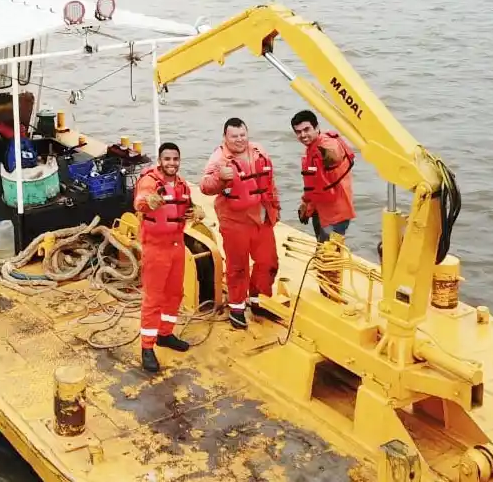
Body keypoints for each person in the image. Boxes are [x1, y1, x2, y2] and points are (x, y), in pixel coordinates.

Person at [200, 118, 281, 329]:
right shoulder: (218, 159)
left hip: (261, 218)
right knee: (238, 267)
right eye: (234, 136)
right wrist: (219, 178)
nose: (239, 140)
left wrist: (275, 208)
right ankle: (237, 308)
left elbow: (270, 182)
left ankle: (257, 299)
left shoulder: (258, 151)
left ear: (247, 133)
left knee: (268, 262)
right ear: (225, 137)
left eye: (242, 135)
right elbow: (205, 186)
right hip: (235, 222)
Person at [134, 142, 205, 373]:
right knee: (153, 297)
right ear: (159, 161)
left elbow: (189, 206)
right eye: (167, 159)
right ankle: (147, 347)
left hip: (177, 246)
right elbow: (141, 200)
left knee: (175, 293)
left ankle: (165, 334)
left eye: (175, 159)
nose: (171, 163)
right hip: (156, 248)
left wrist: (198, 212)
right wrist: (149, 202)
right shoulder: (149, 181)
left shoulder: (182, 185)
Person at [290, 110, 356, 243]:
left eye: (306, 129)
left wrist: (327, 154)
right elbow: (314, 185)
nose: (303, 135)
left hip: (335, 215)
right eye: (298, 132)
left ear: (317, 127)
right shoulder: (310, 149)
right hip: (320, 210)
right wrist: (306, 206)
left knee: (328, 253)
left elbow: (335, 155)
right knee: (321, 246)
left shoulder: (326, 144)